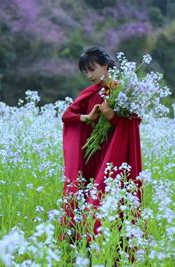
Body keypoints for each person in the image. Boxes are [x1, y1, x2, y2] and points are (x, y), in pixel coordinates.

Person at [59, 46, 143, 247]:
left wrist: (111, 116)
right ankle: (80, 246)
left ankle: (107, 248)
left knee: (104, 202)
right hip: (90, 156)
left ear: (105, 66)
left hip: (113, 157)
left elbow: (132, 125)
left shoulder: (123, 91)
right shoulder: (91, 92)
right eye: (85, 71)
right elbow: (67, 116)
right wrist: (86, 117)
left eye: (92, 69)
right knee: (84, 197)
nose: (89, 75)